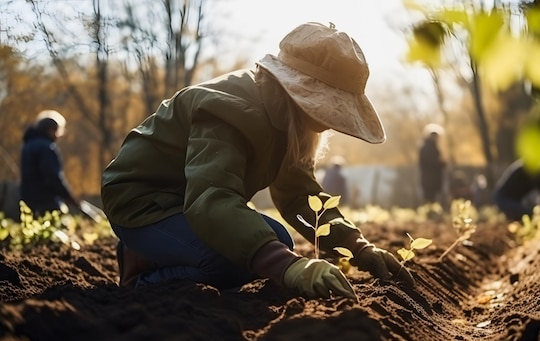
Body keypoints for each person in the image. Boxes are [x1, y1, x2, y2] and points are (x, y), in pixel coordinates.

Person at [101, 22, 410, 300]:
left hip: (188, 200)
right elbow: (211, 197)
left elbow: (299, 195)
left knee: (276, 239)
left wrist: (358, 246)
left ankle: (158, 250)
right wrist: (288, 266)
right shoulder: (229, 110)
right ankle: (143, 278)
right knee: (228, 264)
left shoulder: (287, 120)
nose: (330, 122)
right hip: (143, 202)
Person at [20, 110, 81, 217]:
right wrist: (68, 196)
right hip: (46, 200)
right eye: (56, 131)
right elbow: (53, 176)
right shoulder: (47, 148)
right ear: (50, 130)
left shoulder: (27, 146)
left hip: (27, 198)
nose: (57, 136)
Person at [418, 123, 446, 205]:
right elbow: (429, 162)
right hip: (429, 178)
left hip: (434, 178)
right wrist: (440, 163)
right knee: (429, 197)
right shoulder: (426, 148)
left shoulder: (433, 147)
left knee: (433, 197)